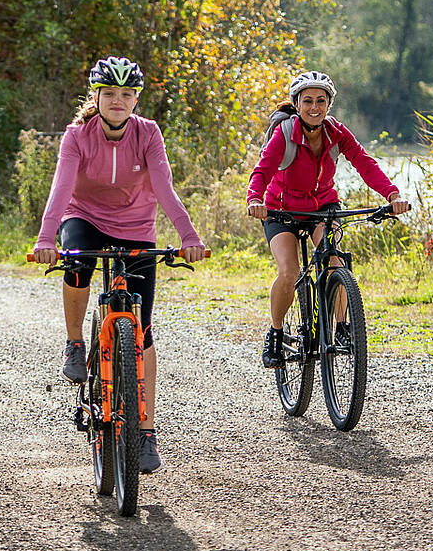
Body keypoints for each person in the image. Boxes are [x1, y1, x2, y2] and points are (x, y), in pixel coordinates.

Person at [32, 57, 209, 475]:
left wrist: (188, 236)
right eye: (109, 93)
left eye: (127, 94)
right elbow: (61, 189)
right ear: (95, 97)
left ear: (136, 99)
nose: (118, 101)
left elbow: (164, 188)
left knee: (142, 328)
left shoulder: (148, 133)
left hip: (135, 225)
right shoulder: (78, 135)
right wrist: (46, 237)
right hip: (85, 217)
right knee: (77, 262)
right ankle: (76, 342)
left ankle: (146, 433)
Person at [246, 70, 411, 368]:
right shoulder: (285, 133)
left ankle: (342, 326)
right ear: (297, 104)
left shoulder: (337, 132)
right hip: (280, 211)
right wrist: (255, 199)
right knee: (290, 272)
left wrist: (392, 194)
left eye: (320, 100)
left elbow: (365, 164)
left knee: (336, 261)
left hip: (322, 208)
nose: (314, 107)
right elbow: (262, 170)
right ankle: (276, 332)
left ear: (329, 104)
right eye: (307, 100)